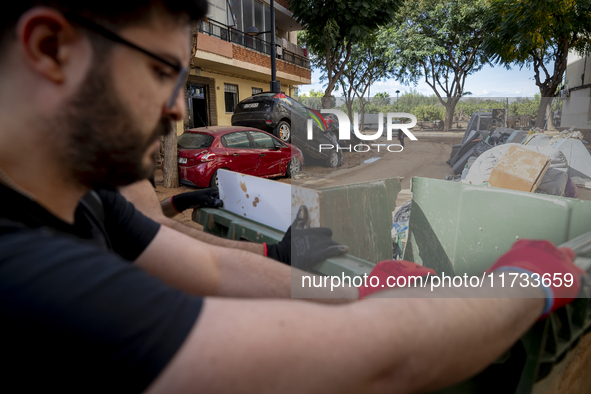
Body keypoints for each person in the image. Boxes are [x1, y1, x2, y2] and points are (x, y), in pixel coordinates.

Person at [0, 1, 586, 393]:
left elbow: (206, 265)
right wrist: (523, 282)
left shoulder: (87, 204)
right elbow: (379, 358)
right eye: (161, 73)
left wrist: (358, 283)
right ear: (51, 48)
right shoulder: (26, 271)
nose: (178, 108)